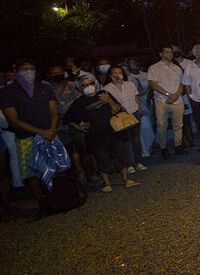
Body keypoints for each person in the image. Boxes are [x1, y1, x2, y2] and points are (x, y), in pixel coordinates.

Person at [65, 74, 139, 192]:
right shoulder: (78, 103)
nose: (89, 86)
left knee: (120, 155)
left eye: (91, 83)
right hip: (95, 135)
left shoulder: (104, 94)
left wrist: (109, 101)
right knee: (101, 158)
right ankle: (106, 183)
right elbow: (67, 119)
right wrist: (78, 126)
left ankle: (126, 180)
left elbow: (118, 109)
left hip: (114, 131)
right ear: (79, 88)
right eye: (85, 85)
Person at [0, 60, 59, 207]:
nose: (28, 72)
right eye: (24, 69)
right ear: (16, 72)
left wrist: (51, 130)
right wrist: (41, 132)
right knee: (31, 174)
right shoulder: (7, 92)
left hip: (50, 136)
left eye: (31, 69)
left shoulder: (45, 88)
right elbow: (13, 120)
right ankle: (43, 204)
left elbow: (54, 112)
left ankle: (60, 199)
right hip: (26, 138)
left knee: (56, 169)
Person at [147, 45, 188, 159]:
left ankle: (178, 146)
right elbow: (153, 85)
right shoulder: (154, 68)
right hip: (162, 101)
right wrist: (168, 95)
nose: (169, 54)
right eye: (166, 52)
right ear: (161, 54)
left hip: (177, 100)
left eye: (171, 52)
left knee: (178, 125)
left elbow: (182, 84)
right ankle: (163, 148)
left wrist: (176, 95)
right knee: (161, 126)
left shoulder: (177, 68)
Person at [104, 65, 146, 173]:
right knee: (124, 142)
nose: (117, 75)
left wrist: (139, 110)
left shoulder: (130, 84)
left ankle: (138, 162)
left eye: (119, 72)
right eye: (114, 73)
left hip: (133, 113)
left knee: (136, 140)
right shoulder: (107, 88)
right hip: (120, 116)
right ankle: (128, 164)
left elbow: (136, 97)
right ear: (110, 75)